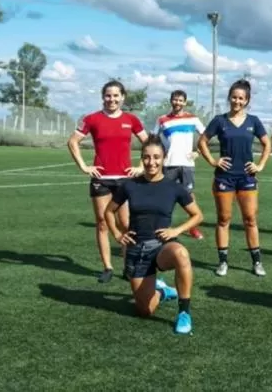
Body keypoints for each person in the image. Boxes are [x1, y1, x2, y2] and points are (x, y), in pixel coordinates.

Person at [103, 136, 203, 335]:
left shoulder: (173, 187)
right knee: (144, 310)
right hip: (137, 249)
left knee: (181, 254)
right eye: (146, 157)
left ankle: (184, 312)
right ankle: (163, 292)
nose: (151, 162)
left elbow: (197, 215)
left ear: (164, 158)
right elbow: (108, 211)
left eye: (156, 157)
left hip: (162, 246)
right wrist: (116, 233)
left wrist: (176, 231)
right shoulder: (129, 185)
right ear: (141, 158)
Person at [68, 80, 149, 283]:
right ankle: (107, 267)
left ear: (122, 97)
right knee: (103, 223)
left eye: (115, 95)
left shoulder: (131, 119)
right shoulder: (92, 119)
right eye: (108, 95)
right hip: (101, 180)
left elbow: (148, 143)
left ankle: (127, 265)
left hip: (124, 180)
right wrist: (84, 166)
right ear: (103, 97)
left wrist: (141, 166)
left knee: (125, 223)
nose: (111, 99)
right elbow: (72, 141)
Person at [198, 79, 272, 277]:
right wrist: (213, 161)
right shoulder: (219, 120)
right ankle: (223, 262)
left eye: (241, 98)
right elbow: (202, 142)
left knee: (250, 219)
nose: (237, 101)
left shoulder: (253, 121)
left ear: (247, 100)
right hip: (225, 177)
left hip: (247, 177)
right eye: (234, 97)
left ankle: (257, 262)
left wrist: (260, 165)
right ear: (229, 97)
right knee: (224, 219)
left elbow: (267, 144)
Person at [156, 89, 206, 240]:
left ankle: (193, 227)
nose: (177, 103)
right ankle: (162, 227)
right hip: (169, 164)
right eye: (175, 99)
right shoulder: (162, 120)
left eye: (180, 100)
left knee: (189, 196)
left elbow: (206, 136)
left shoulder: (192, 119)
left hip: (187, 165)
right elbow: (152, 139)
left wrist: (198, 152)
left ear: (185, 102)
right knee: (165, 196)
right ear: (171, 101)